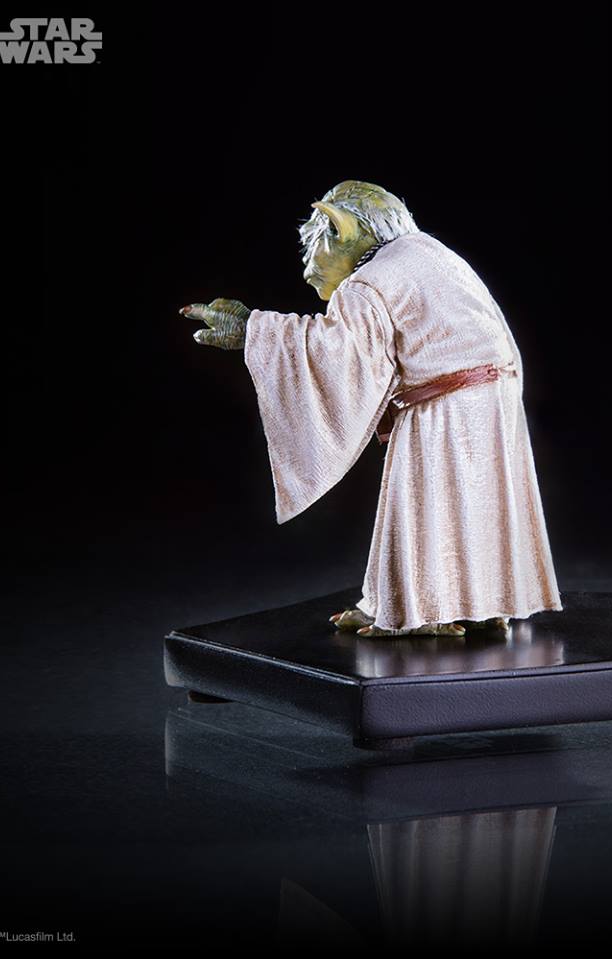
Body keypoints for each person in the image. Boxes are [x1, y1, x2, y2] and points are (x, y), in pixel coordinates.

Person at [181, 180, 562, 637]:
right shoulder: (432, 254)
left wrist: (253, 330)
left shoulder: (370, 280)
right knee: (478, 501)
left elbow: (336, 353)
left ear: (340, 230)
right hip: (496, 396)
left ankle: (407, 614)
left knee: (420, 506)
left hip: (442, 402)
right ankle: (483, 603)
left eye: (313, 247)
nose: (308, 269)